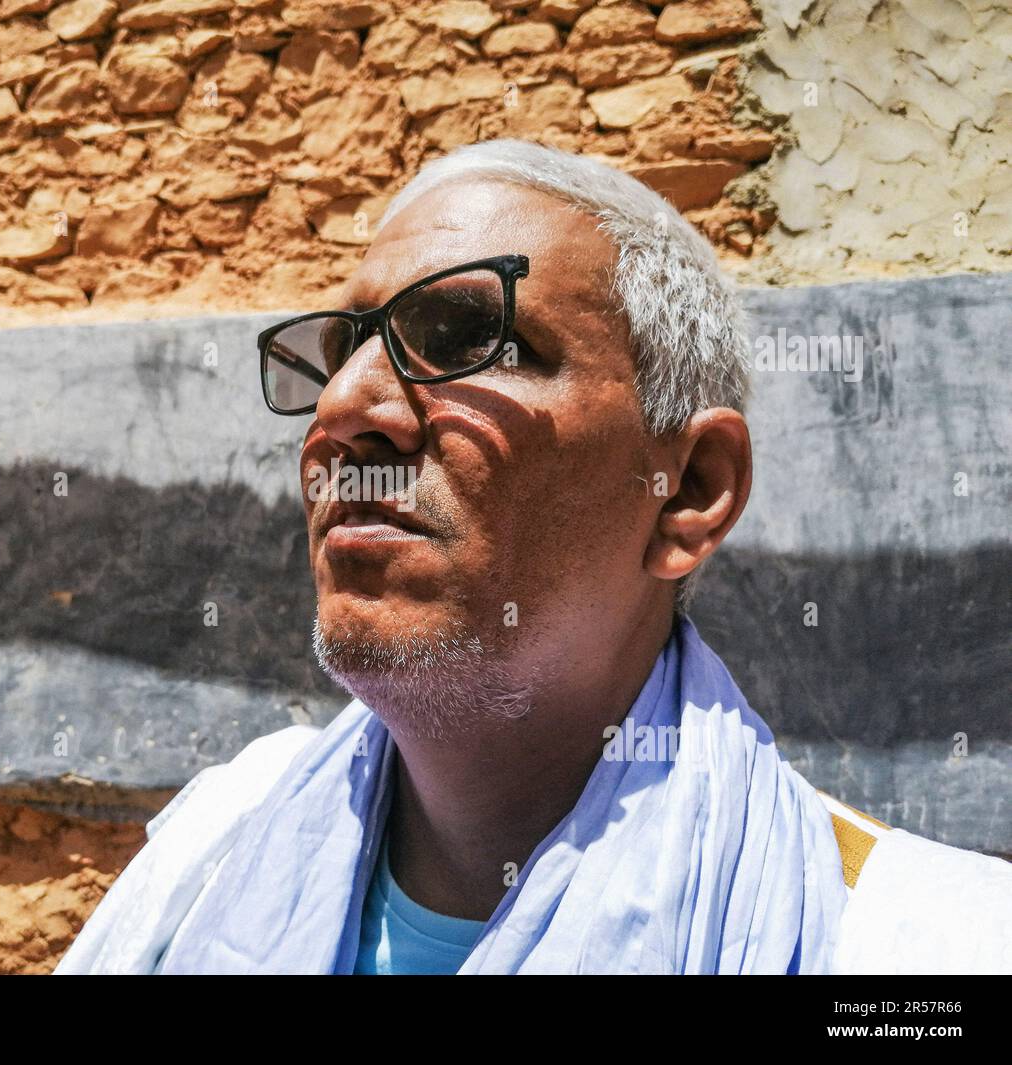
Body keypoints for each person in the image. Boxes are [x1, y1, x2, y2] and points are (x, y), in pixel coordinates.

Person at [56, 140, 1011, 975]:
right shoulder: (215, 848)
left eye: (473, 339)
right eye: (343, 348)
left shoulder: (925, 949)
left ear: (685, 492)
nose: (343, 411)